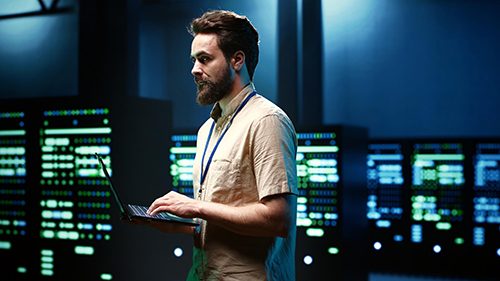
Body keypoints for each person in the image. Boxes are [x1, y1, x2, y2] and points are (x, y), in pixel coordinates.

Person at [145, 10, 298, 281]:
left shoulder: (267, 121)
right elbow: (221, 216)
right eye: (194, 60)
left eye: (204, 59)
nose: (194, 69)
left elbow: (278, 219)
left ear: (237, 59)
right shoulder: (207, 129)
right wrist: (179, 223)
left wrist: (196, 207)